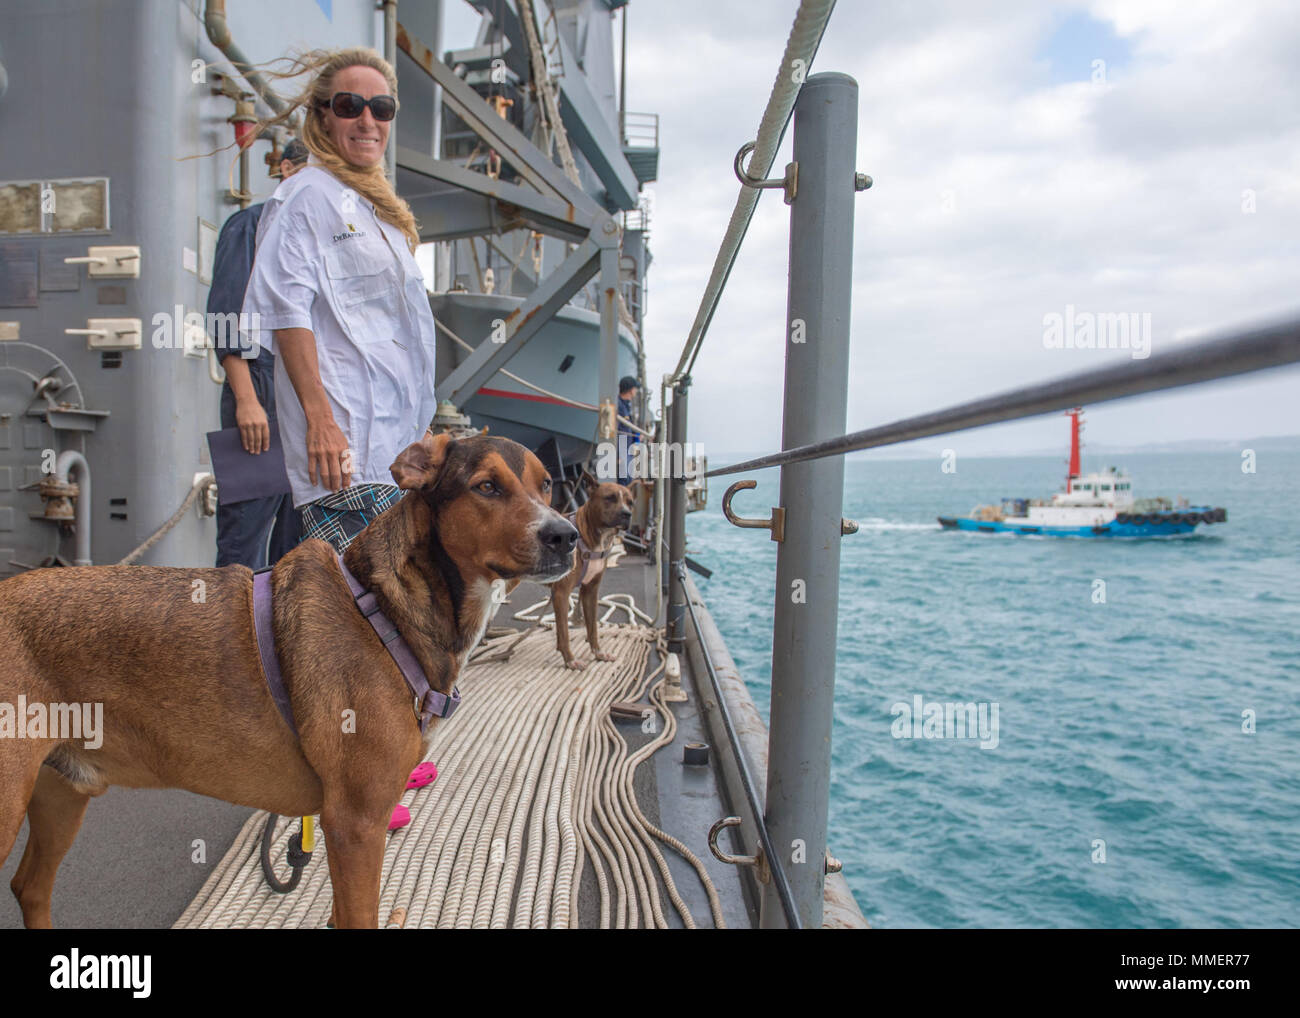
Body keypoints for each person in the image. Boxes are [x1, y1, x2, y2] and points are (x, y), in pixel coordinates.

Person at [241, 48, 438, 552]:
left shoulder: (376, 212)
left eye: (382, 108)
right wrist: (320, 421)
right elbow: (287, 312)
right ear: (324, 117)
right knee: (356, 613)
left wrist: (422, 425)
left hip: (395, 453)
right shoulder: (307, 196)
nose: (368, 119)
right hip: (345, 451)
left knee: (383, 614)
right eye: (350, 105)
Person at [209, 138, 309, 568]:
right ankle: (226, 635)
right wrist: (247, 402)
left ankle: (281, 636)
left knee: (300, 544)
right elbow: (225, 316)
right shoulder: (248, 225)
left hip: (304, 399)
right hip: (259, 388)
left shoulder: (311, 238)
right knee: (243, 541)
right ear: (286, 169)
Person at [616, 375, 640, 486]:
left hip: (626, 450)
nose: (636, 391)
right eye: (635, 388)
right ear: (631, 389)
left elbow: (627, 428)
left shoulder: (625, 406)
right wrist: (618, 456)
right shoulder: (619, 406)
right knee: (623, 481)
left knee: (627, 480)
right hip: (622, 451)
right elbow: (617, 431)